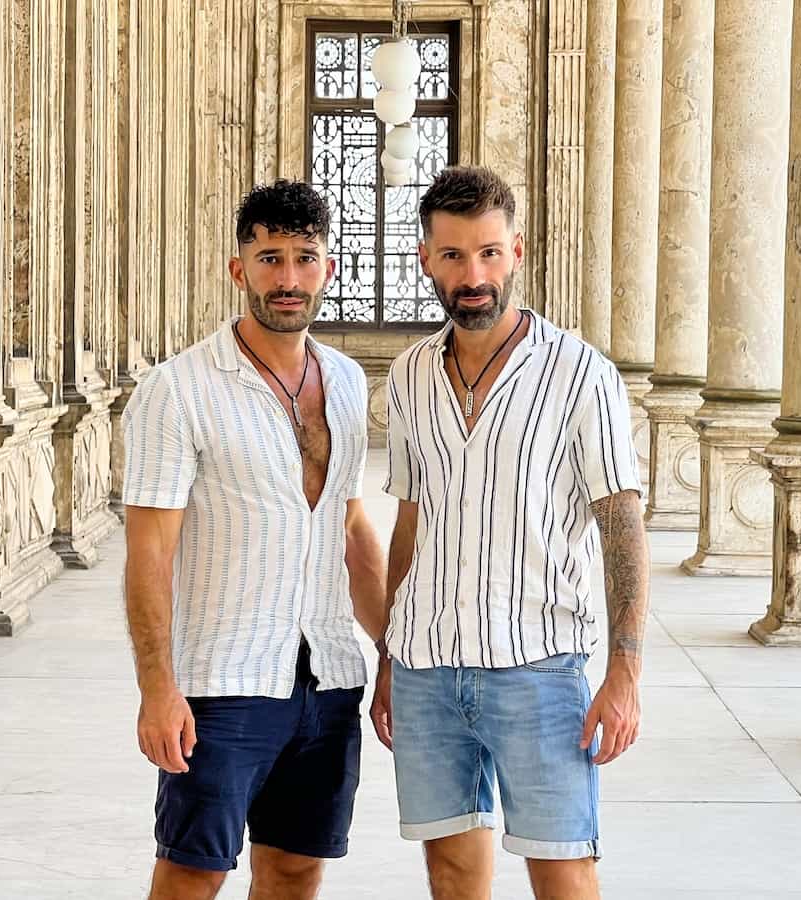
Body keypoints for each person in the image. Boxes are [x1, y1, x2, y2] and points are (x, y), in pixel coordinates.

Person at [371, 166, 650, 900]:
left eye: (490, 253)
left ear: (517, 252)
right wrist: (389, 658)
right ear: (425, 259)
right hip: (427, 668)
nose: (474, 275)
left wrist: (625, 670)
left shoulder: (579, 372)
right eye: (456, 255)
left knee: (564, 871)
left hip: (537, 667)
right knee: (453, 875)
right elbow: (410, 519)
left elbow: (620, 521)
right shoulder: (407, 376)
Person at [121, 179, 388, 900]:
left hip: (329, 674)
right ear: (239, 270)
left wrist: (390, 651)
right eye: (270, 258)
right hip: (223, 681)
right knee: (193, 870)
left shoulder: (347, 382)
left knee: (297, 867)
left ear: (328, 268)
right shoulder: (178, 390)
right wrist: (156, 687)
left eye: (305, 258)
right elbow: (150, 552)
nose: (289, 278)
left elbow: (352, 526)